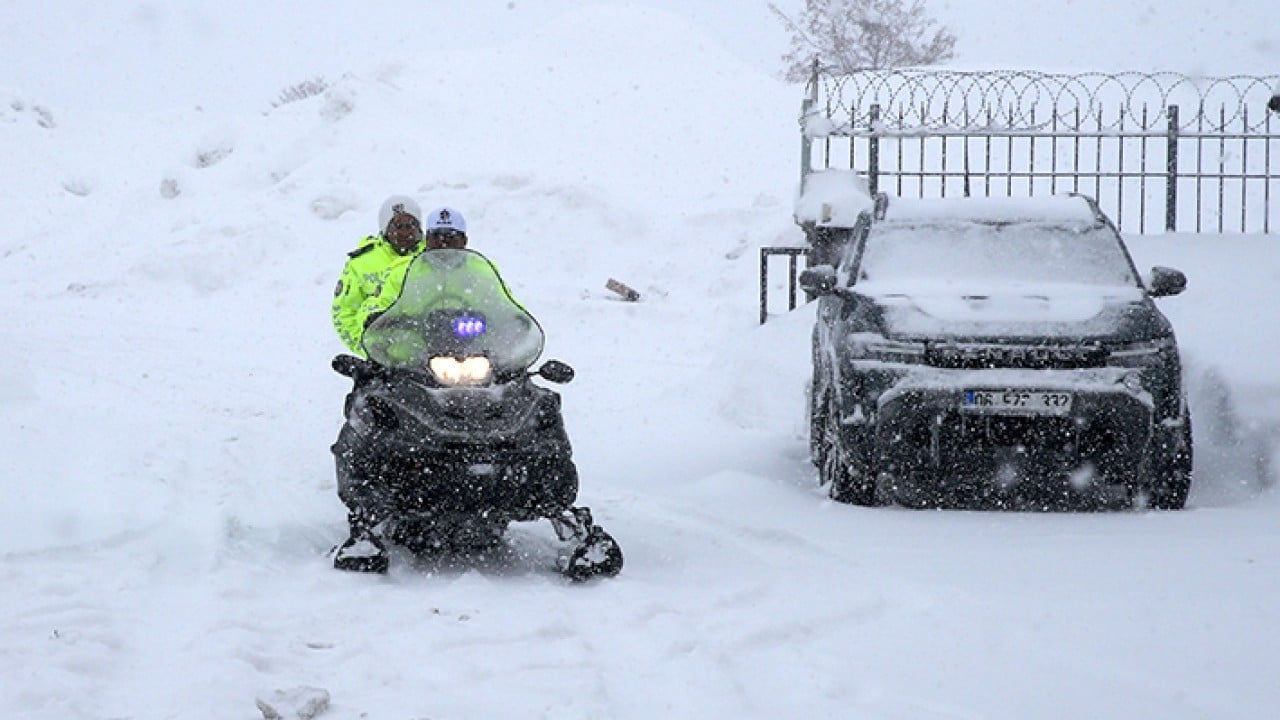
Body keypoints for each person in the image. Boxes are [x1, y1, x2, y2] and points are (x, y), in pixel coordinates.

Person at [332, 205, 518, 573]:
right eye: (437, 236)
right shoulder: (405, 272)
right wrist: (378, 335)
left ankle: (531, 483)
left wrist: (511, 330)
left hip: (469, 358)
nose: (443, 243)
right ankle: (368, 501)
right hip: (409, 361)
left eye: (451, 237)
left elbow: (506, 305)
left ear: (464, 240)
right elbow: (376, 308)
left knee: (528, 404)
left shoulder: (481, 271)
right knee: (374, 412)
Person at [331, 195, 427, 357]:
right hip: (385, 358)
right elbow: (344, 313)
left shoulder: (432, 255)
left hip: (431, 355)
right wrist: (367, 348)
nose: (404, 232)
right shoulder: (361, 263)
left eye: (410, 224)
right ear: (385, 228)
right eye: (398, 225)